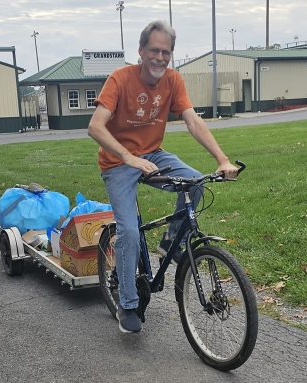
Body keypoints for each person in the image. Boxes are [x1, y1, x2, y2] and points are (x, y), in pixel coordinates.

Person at [88, 20, 238, 334]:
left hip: (153, 154)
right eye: (154, 50)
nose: (160, 57)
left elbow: (193, 121)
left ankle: (170, 242)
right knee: (128, 231)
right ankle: (127, 305)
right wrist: (128, 157)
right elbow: (96, 126)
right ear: (141, 51)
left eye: (166, 52)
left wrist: (222, 159)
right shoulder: (120, 79)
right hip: (118, 163)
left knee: (196, 182)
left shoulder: (173, 80)